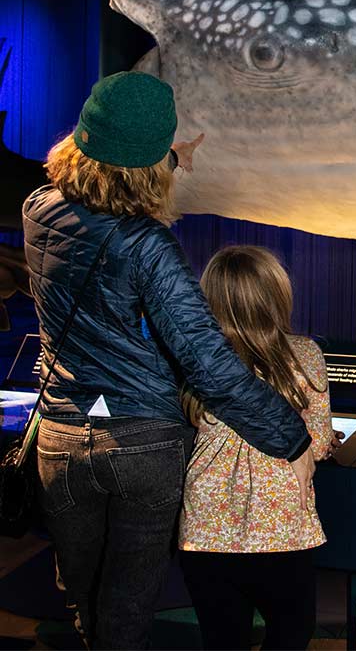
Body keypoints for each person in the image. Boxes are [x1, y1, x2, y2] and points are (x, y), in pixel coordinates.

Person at [22, 71, 315, 650]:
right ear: (149, 165)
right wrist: (292, 439)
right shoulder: (147, 245)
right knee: (128, 609)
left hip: (59, 436)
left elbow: (104, 185)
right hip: (141, 447)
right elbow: (209, 365)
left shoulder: (38, 208)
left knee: (83, 595)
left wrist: (167, 159)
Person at [179, 245, 334, 651]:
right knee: (292, 631)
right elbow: (315, 446)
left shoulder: (194, 360)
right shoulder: (304, 354)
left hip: (206, 532)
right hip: (282, 533)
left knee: (222, 640)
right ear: (276, 296)